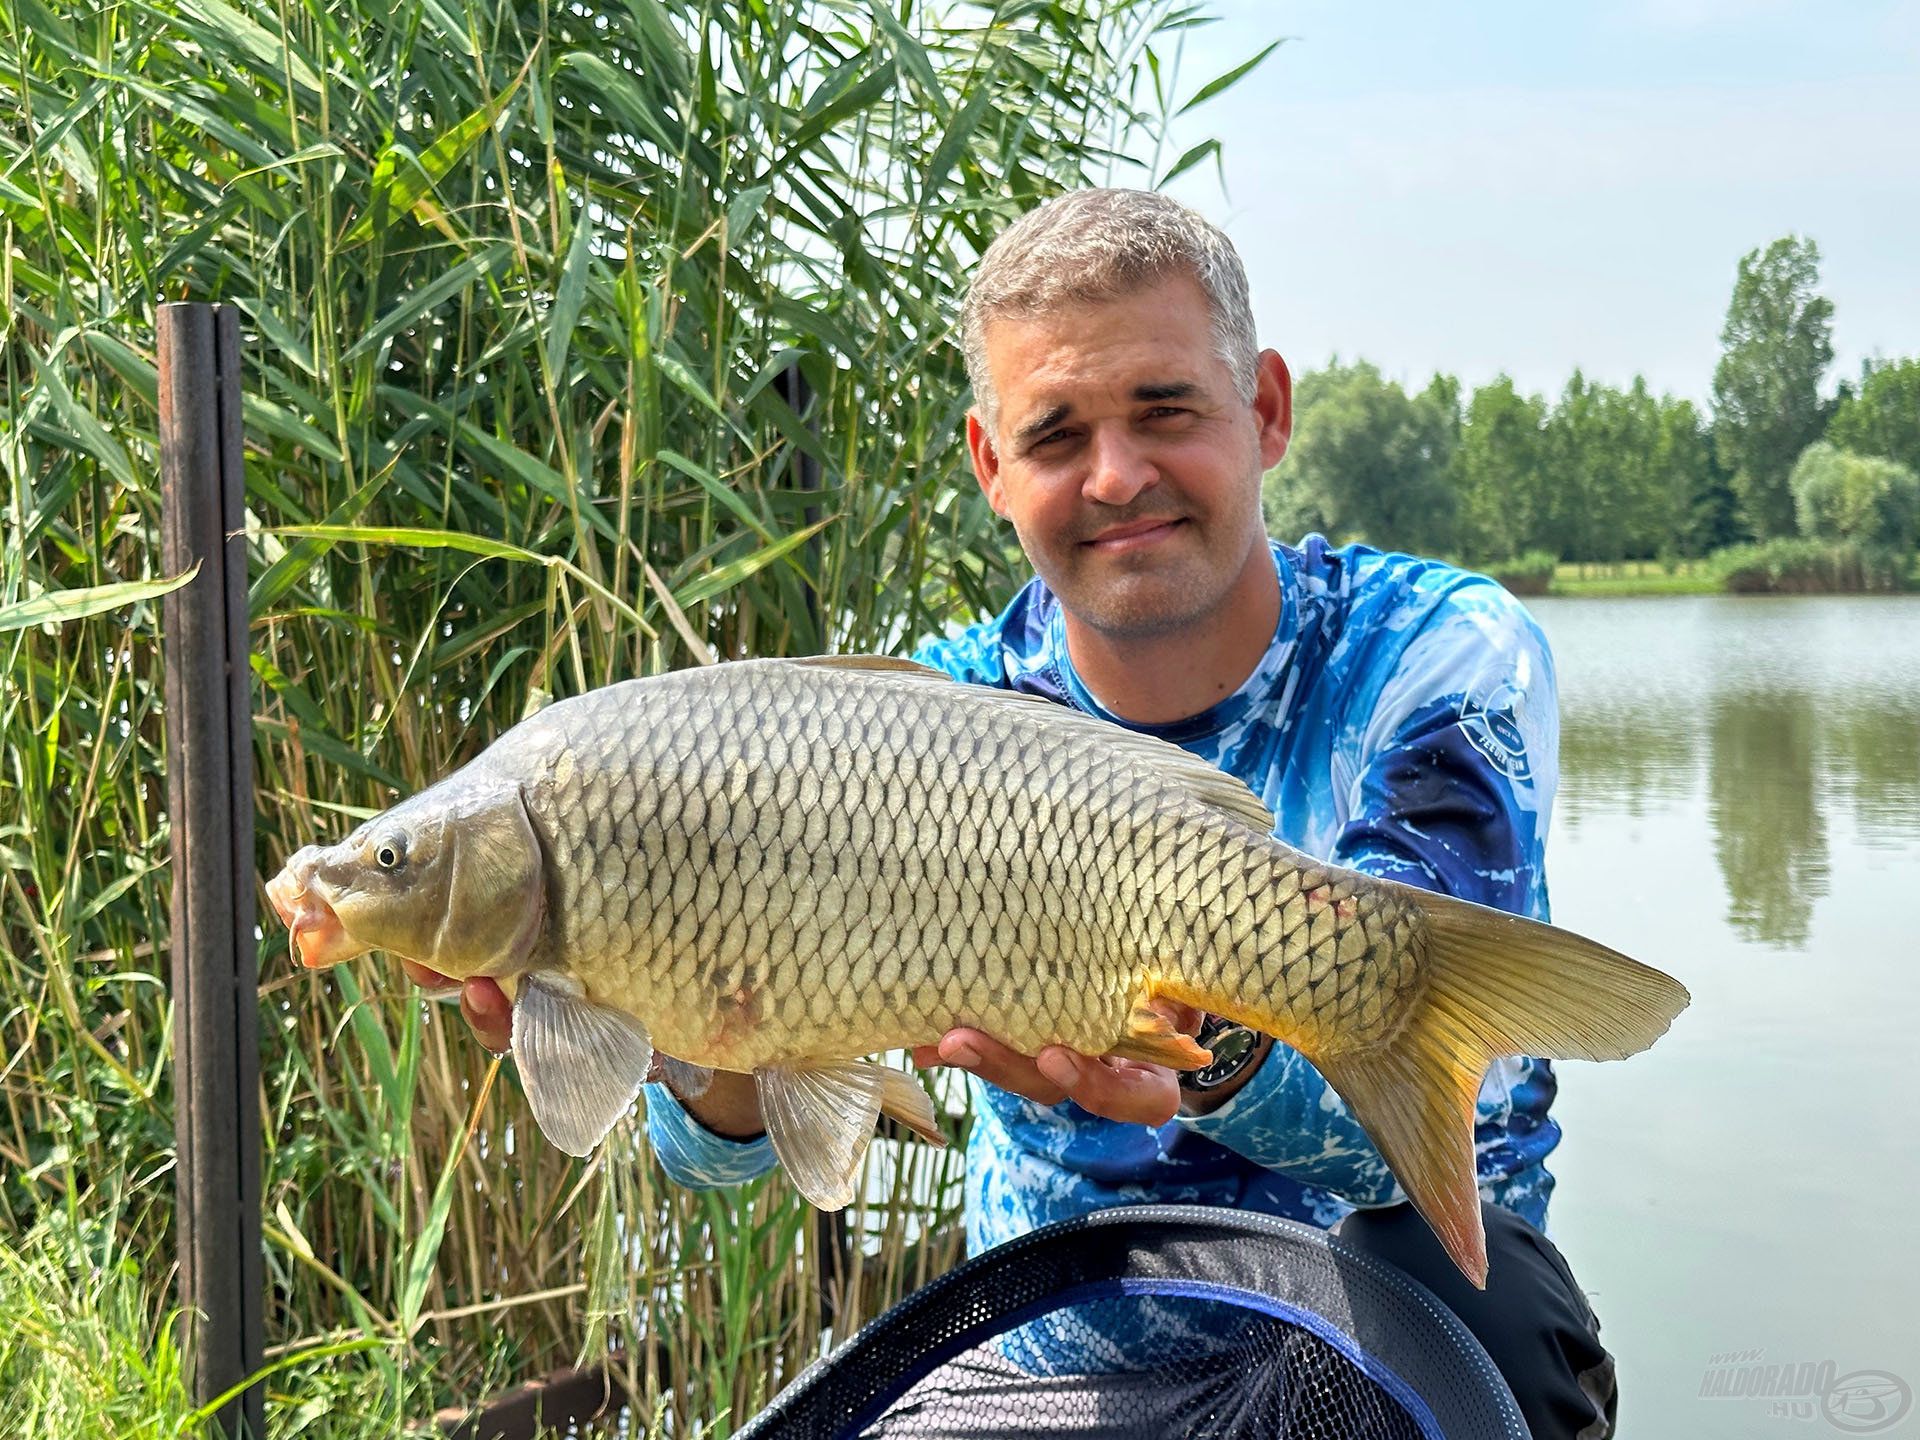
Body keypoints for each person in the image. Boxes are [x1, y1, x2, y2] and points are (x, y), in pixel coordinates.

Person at [407, 188, 1616, 1437]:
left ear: (1263, 409)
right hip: (1053, 1350)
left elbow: (1462, 1121)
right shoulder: (935, 715)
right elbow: (717, 1154)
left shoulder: (1435, 654)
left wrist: (1215, 1050)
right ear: (991, 466)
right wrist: (706, 1034)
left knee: (1494, 1310)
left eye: (1165, 412)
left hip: (1396, 1322)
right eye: (1054, 436)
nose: (1117, 476)